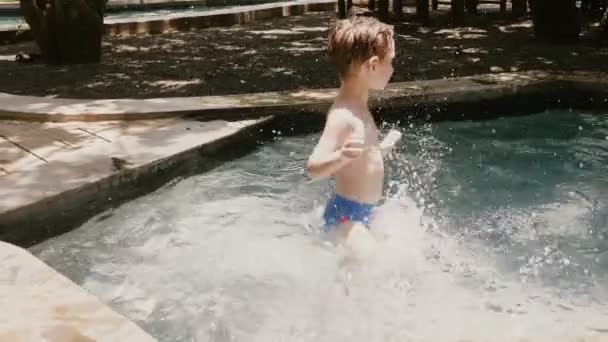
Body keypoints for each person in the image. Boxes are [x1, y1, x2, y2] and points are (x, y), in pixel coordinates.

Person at [306, 15, 402, 257]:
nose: (392, 69)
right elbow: (313, 167)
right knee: (374, 264)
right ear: (371, 66)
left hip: (362, 213)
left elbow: (360, 158)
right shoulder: (343, 115)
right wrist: (340, 156)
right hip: (346, 218)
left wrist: (380, 149)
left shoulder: (358, 107)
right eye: (389, 62)